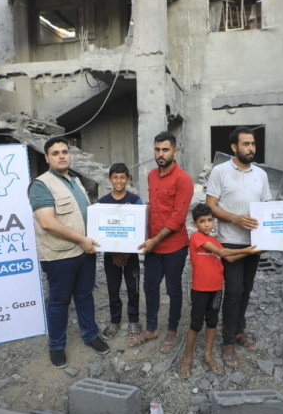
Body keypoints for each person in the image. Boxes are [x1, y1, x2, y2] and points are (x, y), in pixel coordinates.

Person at [28, 136, 110, 369]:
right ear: (47, 158)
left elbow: (81, 214)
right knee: (59, 301)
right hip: (60, 255)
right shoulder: (41, 184)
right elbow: (47, 223)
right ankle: (56, 346)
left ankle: (90, 335)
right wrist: (83, 240)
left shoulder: (75, 180)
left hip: (85, 253)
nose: (62, 155)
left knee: (84, 295)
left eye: (65, 151)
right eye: (55, 153)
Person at [206, 126, 272, 367]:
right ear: (234, 147)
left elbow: (267, 207)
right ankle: (227, 342)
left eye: (253, 144)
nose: (251, 148)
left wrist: (269, 238)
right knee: (233, 291)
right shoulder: (220, 171)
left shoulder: (261, 175)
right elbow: (210, 206)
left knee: (246, 289)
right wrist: (235, 218)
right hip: (230, 241)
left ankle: (238, 330)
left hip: (254, 242)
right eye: (246, 144)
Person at [179, 204, 260, 378]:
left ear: (213, 221)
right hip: (200, 290)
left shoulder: (215, 240)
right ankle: (187, 358)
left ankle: (208, 355)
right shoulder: (196, 237)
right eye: (202, 221)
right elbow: (222, 252)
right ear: (195, 224)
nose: (207, 224)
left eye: (209, 220)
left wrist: (252, 252)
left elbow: (229, 257)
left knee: (212, 322)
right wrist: (248, 248)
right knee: (195, 324)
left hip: (216, 291)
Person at [131, 131, 194, 352]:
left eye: (165, 149)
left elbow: (178, 217)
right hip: (152, 245)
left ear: (174, 151)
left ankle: (172, 331)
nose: (161, 153)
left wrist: (154, 240)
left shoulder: (183, 179)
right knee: (149, 287)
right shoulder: (150, 176)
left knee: (173, 289)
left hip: (174, 246)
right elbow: (152, 210)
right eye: (157, 149)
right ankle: (151, 328)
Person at [98, 163, 143, 341]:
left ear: (128, 179)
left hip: (131, 256)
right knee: (113, 289)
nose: (119, 181)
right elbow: (100, 231)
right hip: (111, 257)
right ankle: (115, 321)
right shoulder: (102, 202)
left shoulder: (135, 200)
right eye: (115, 177)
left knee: (133, 288)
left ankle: (134, 319)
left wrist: (127, 253)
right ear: (110, 179)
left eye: (122, 177)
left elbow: (140, 229)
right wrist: (115, 253)